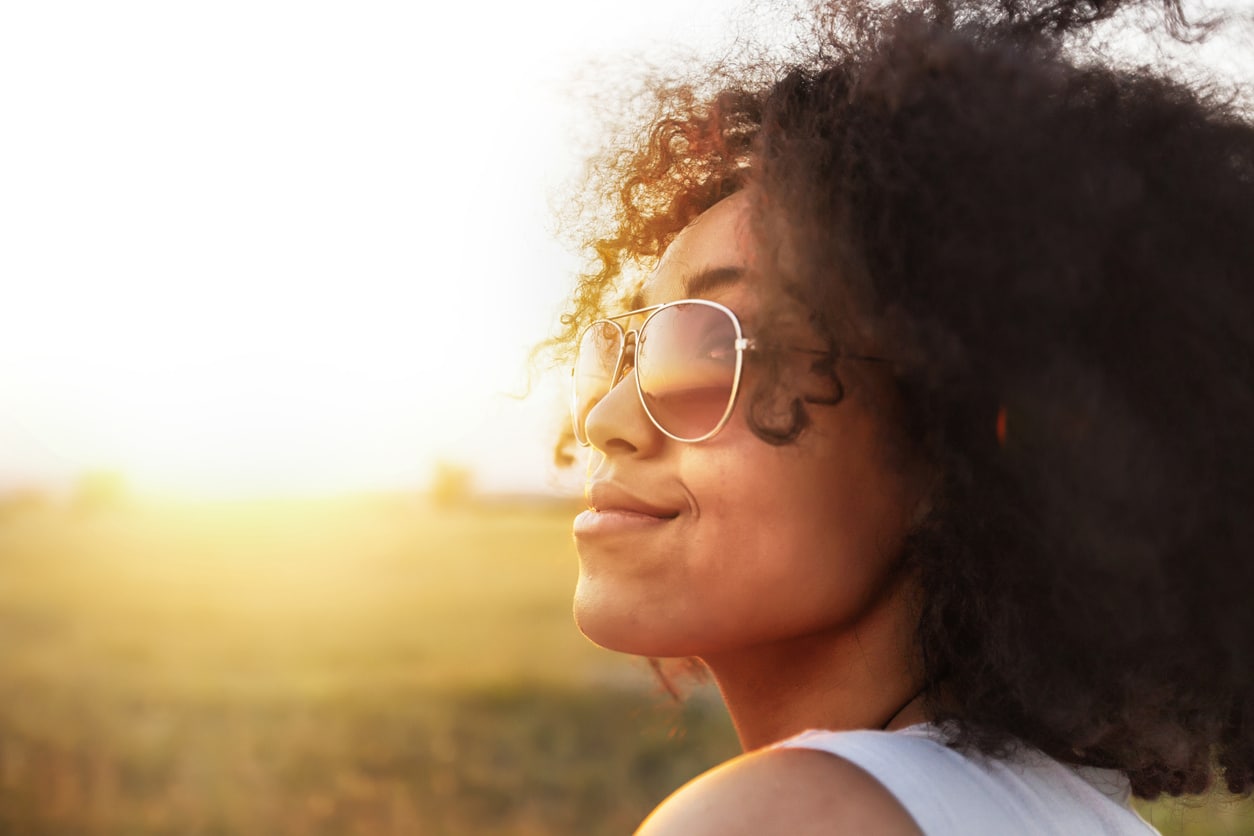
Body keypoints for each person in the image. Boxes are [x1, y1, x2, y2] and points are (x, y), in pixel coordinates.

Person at [553, 0, 1254, 832]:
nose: (607, 418)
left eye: (710, 349)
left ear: (952, 450)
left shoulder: (777, 818)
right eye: (625, 349)